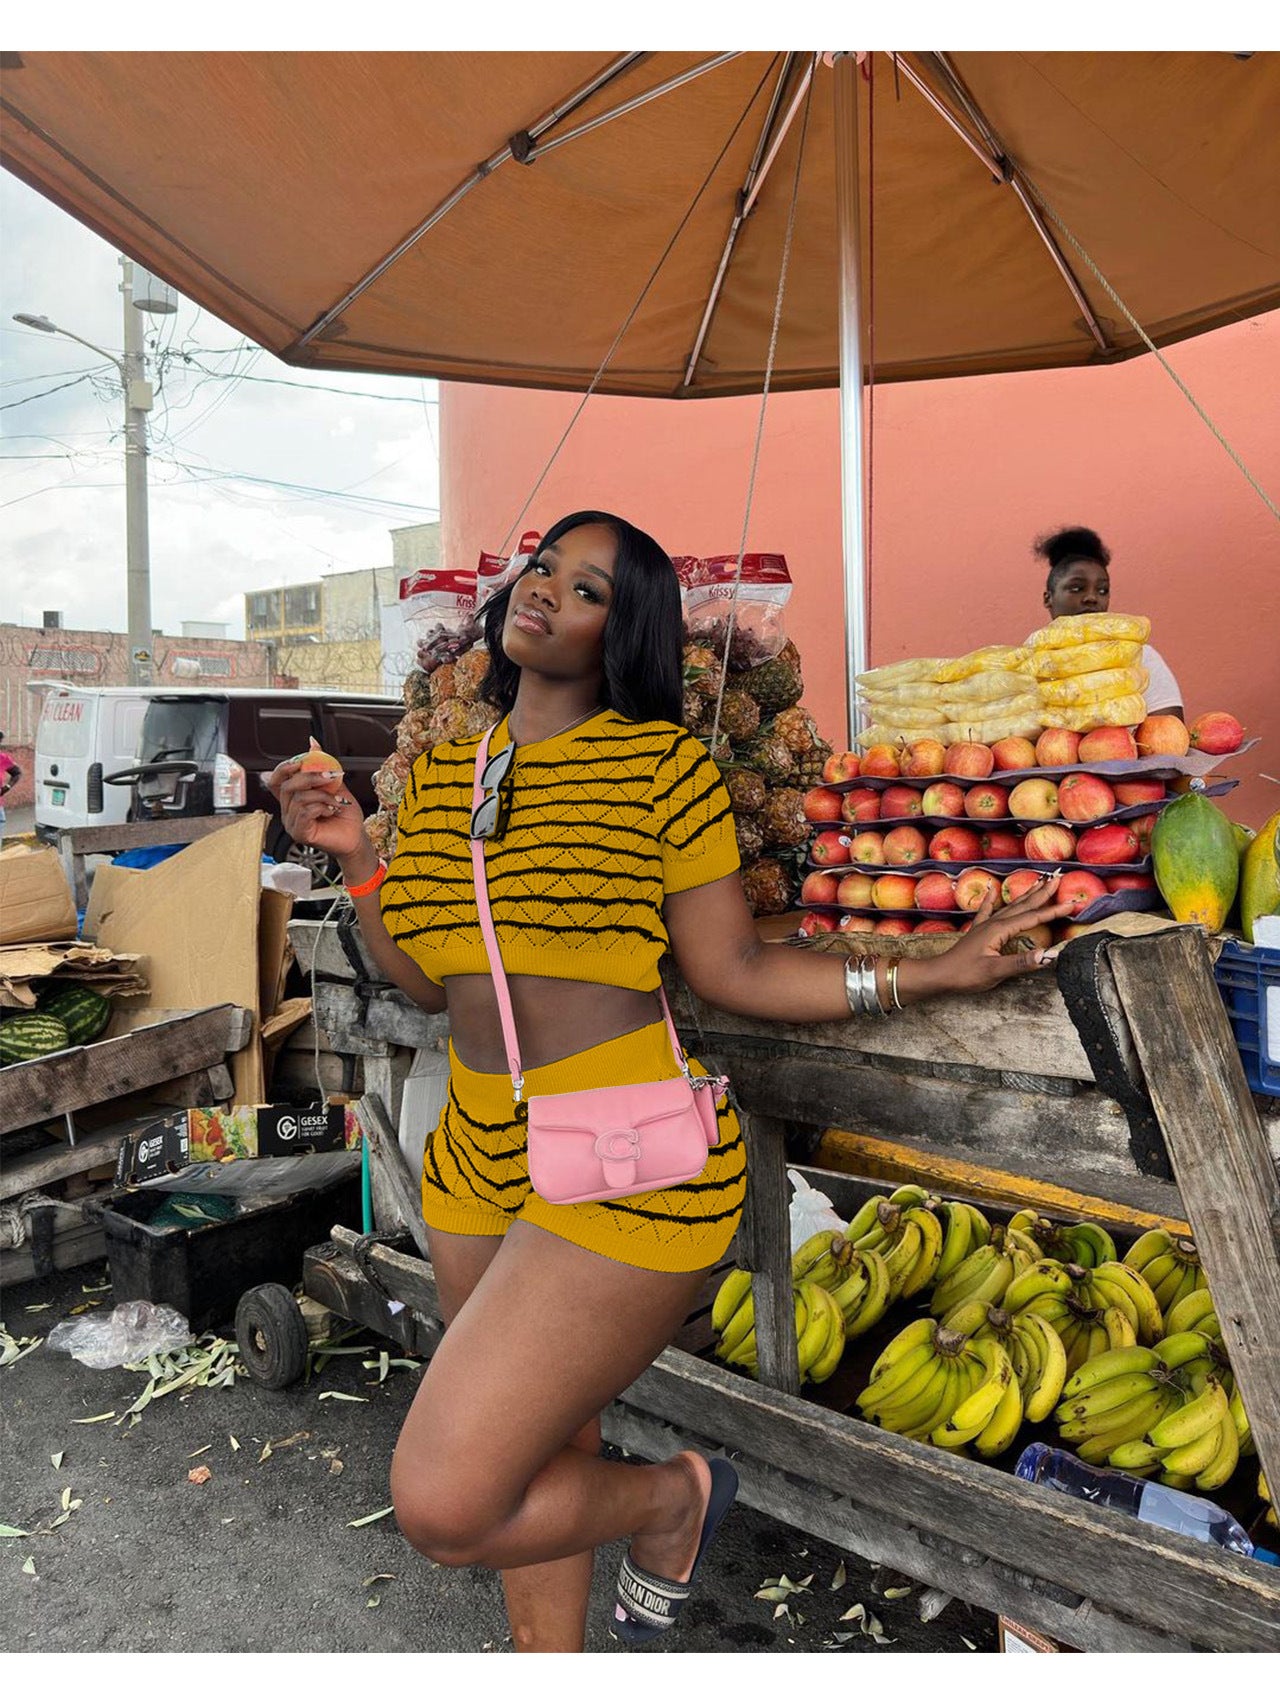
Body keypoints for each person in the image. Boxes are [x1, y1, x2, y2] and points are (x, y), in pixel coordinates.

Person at [268, 510, 1073, 1654]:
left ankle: (677, 1501)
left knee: (445, 1501)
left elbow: (733, 968)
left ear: (622, 632)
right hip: (474, 1145)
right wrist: (356, 857)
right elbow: (426, 976)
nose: (546, 592)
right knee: (545, 1449)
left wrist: (920, 974)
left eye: (587, 589)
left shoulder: (665, 769)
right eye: (542, 569)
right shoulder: (448, 773)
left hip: (621, 1142)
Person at [1032, 526, 1183, 717]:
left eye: (1102, 590)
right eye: (1077, 588)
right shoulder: (1032, 661)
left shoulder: (1139, 656)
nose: (1092, 598)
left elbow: (1169, 732)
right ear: (1048, 598)